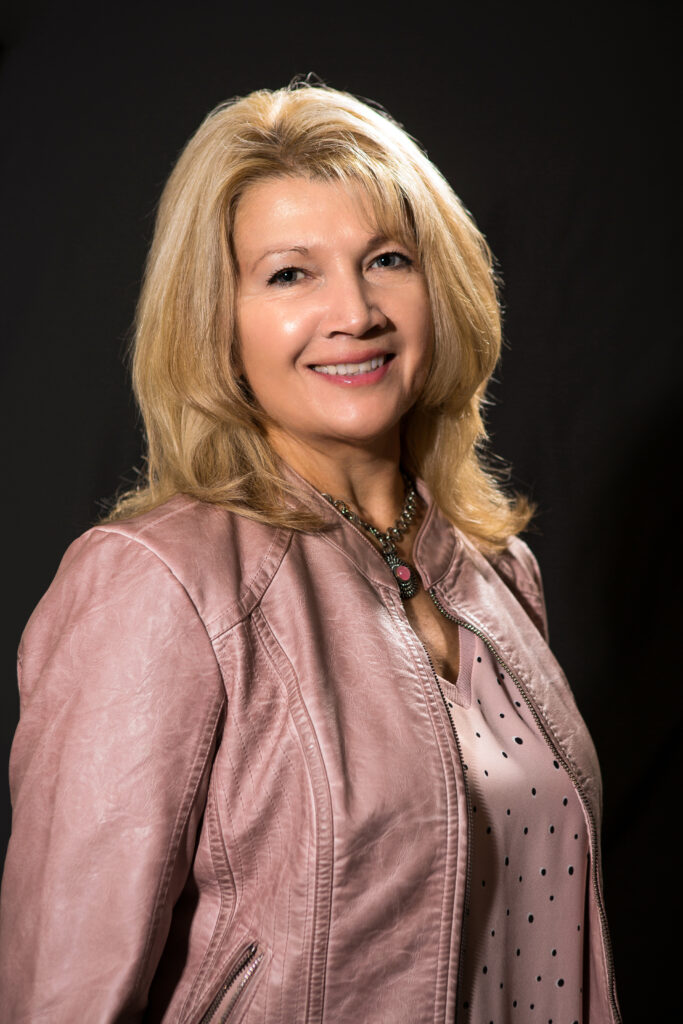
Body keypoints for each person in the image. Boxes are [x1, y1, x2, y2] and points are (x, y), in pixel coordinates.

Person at [0, 82, 620, 1023]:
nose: (356, 311)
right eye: (290, 275)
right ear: (218, 321)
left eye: (385, 260)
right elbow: (62, 997)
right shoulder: (156, 585)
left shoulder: (496, 575)